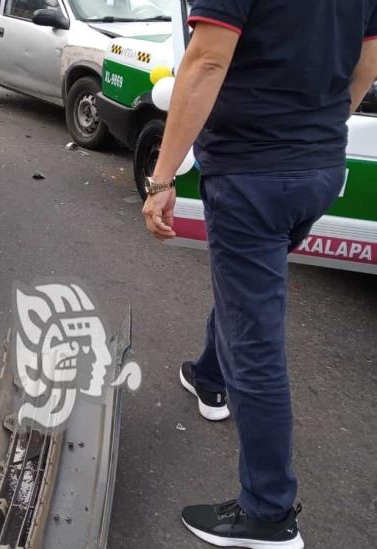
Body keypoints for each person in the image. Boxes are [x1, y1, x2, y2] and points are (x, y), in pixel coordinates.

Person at [142, 1, 377, 548]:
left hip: (253, 173)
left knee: (257, 342)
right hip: (318, 168)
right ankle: (209, 374)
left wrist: (161, 178)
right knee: (248, 290)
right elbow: (368, 64)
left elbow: (204, 63)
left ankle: (268, 512)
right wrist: (312, 131)